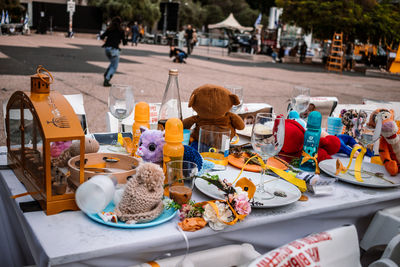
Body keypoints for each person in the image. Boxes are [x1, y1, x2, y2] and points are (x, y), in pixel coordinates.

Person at [100, 16, 127, 87]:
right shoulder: (121, 30)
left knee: (112, 62)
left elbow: (101, 37)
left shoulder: (109, 29)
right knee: (114, 66)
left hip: (107, 49)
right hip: (114, 50)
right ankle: (107, 79)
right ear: (120, 23)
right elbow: (124, 42)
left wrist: (107, 42)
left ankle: (107, 73)